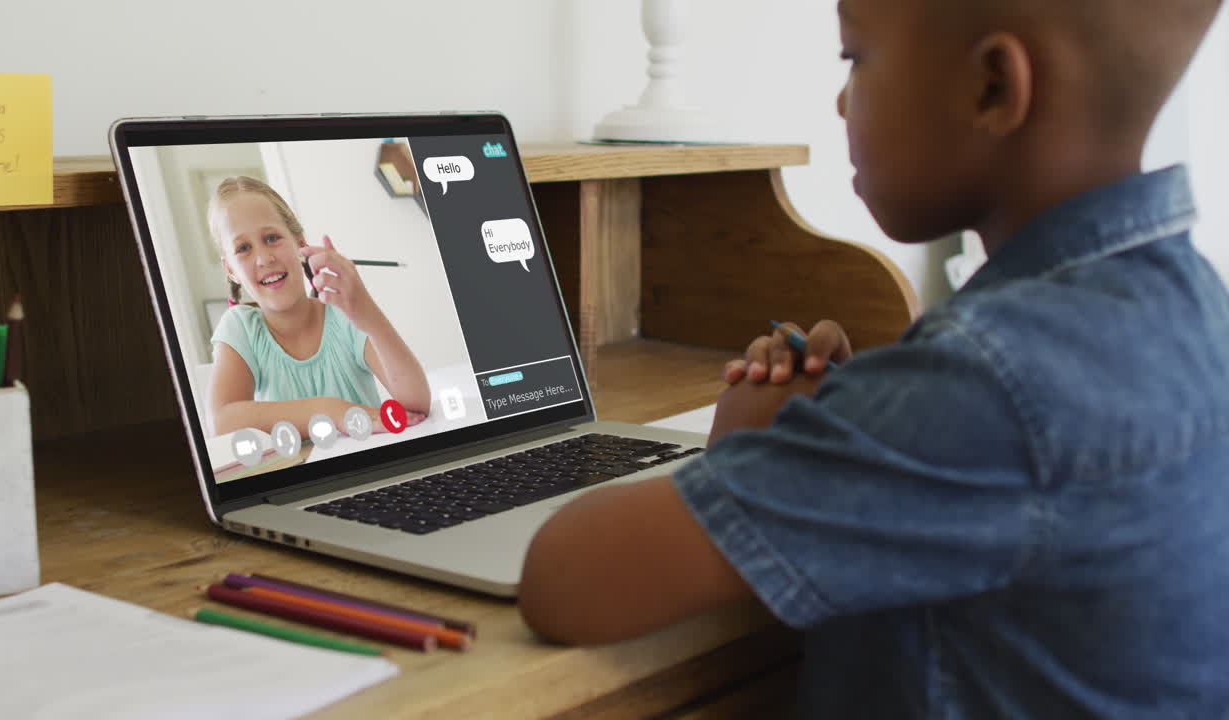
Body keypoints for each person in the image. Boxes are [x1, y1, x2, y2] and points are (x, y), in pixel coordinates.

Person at [518, 0, 1229, 717]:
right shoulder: (1195, 308)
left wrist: (758, 449)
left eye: (854, 60)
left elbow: (565, 582)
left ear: (992, 86)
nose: (838, 100)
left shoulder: (985, 383)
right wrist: (861, 420)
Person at [207, 176, 430, 438]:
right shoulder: (240, 328)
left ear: (300, 245)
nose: (264, 258)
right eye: (243, 248)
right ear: (230, 269)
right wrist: (331, 411)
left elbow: (416, 404)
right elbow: (222, 422)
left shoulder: (342, 314)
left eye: (271, 238)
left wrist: (366, 311)